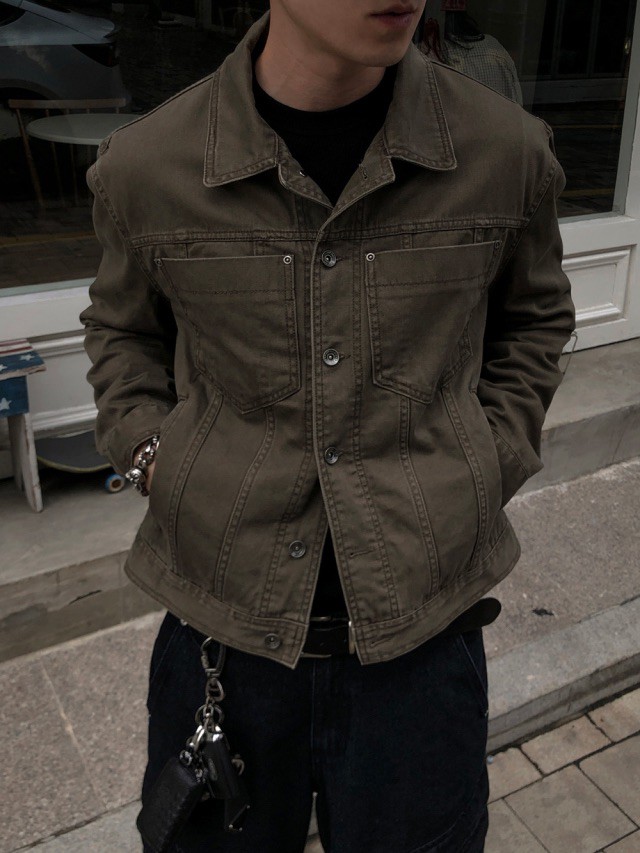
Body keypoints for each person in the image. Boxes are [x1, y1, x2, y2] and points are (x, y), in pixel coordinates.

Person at [79, 2, 575, 850]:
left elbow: (535, 319)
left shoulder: (505, 152)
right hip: (222, 641)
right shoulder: (150, 165)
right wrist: (155, 454)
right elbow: (122, 330)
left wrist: (488, 458)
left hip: (424, 645)